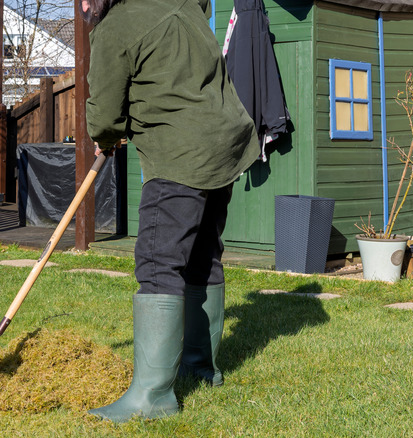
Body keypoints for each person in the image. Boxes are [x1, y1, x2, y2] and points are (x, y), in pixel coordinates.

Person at [81, 0, 260, 423]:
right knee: (201, 253)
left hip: (181, 154)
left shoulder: (116, 27)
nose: (84, 4)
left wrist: (105, 134)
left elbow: (105, 112)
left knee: (160, 262)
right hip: (225, 141)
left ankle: (152, 397)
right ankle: (200, 366)